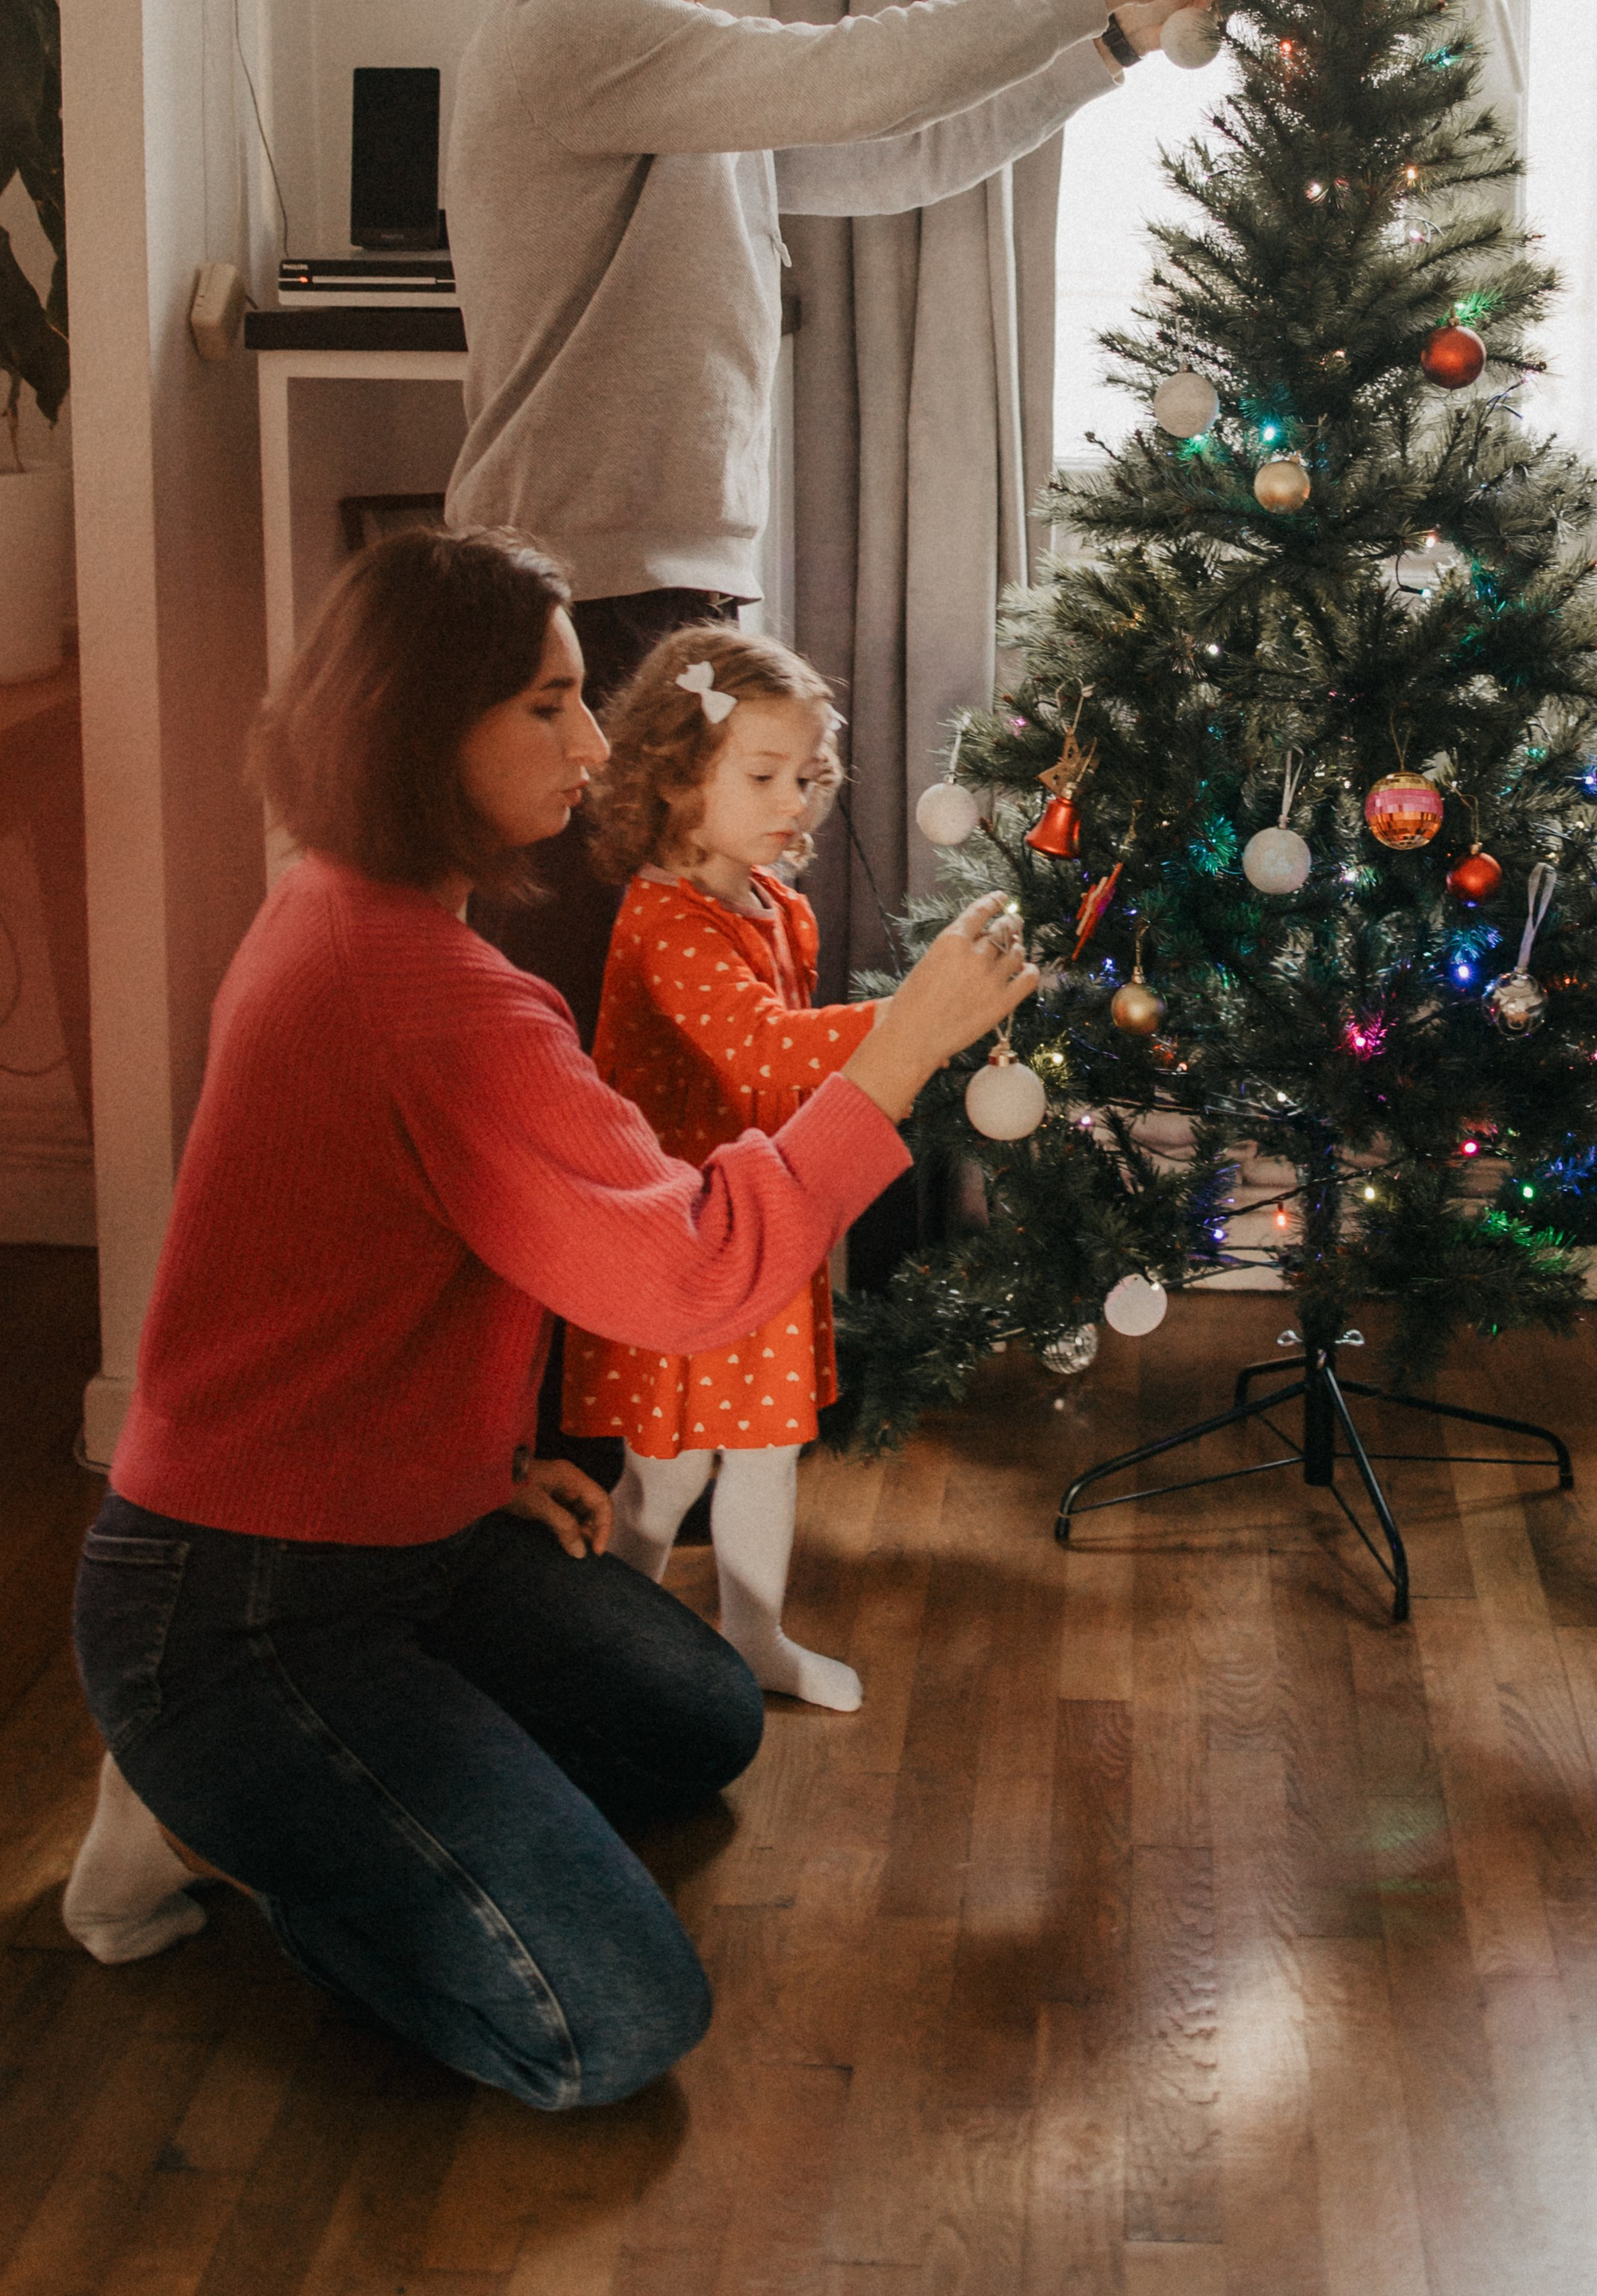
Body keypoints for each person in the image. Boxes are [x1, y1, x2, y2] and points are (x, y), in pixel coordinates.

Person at [62, 527, 1036, 2110]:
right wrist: (900, 1052)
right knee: (610, 2023)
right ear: (410, 724)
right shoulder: (435, 1000)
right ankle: (192, 1821)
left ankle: (357, 1773)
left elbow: (354, 1283)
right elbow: (697, 1272)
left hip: (403, 1538)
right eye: (547, 704)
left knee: (702, 1718)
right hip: (237, 1601)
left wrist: (465, 1466)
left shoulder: (343, 911)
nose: (594, 747)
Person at [444, 0, 1230, 1040]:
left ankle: (664, 1238)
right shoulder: (576, 28)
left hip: (652, 579)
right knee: (581, 1000)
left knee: (663, 998)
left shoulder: (667, 67)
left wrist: (1109, 50)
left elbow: (895, 156)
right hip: (588, 596)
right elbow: (852, 76)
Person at [558, 628, 879, 1711]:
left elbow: (779, 1079)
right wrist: (914, 1020)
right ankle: (606, 1657)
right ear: (677, 776)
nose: (793, 800)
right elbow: (762, 1051)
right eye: (761, 774)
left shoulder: (774, 905)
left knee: (769, 1448)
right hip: (683, 1236)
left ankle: (755, 1643)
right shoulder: (667, 921)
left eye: (806, 775)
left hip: (757, 1221)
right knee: (667, 1471)